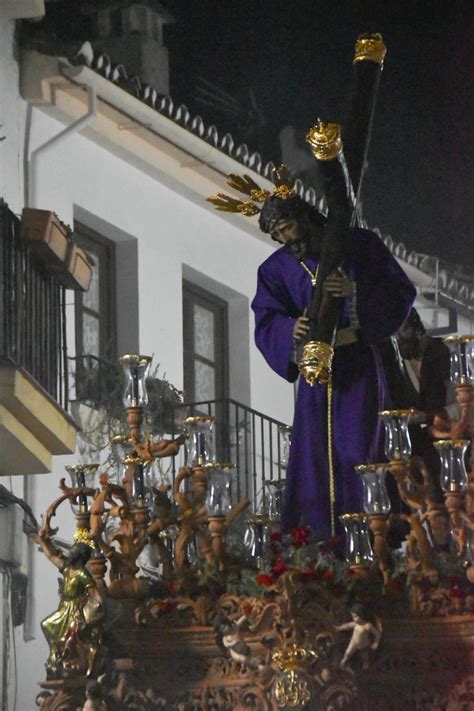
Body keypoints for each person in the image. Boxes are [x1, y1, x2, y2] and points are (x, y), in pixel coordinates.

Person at [251, 191, 416, 539]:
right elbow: (266, 320)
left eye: (288, 227)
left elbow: (400, 291)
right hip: (316, 376)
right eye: (277, 234)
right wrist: (289, 328)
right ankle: (320, 544)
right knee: (314, 458)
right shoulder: (274, 269)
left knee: (358, 449)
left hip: (358, 364)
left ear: (305, 217)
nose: (285, 239)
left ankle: (370, 537)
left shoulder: (359, 245)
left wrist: (356, 291)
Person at [34, 532, 104, 677]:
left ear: (79, 557)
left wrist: (98, 608)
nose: (69, 555)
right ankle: (55, 655)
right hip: (63, 607)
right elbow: (52, 557)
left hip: (74, 610)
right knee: (46, 625)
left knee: (69, 637)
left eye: (73, 553)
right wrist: (43, 542)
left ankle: (68, 660)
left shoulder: (82, 574)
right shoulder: (67, 569)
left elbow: (95, 593)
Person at [335, 603, 381, 669]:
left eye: (355, 616)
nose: (353, 618)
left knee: (364, 655)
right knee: (348, 652)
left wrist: (376, 643)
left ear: (361, 615)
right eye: (353, 616)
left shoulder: (367, 625)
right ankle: (344, 660)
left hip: (363, 643)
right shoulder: (356, 623)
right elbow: (348, 625)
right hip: (353, 641)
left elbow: (377, 634)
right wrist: (339, 628)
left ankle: (365, 663)